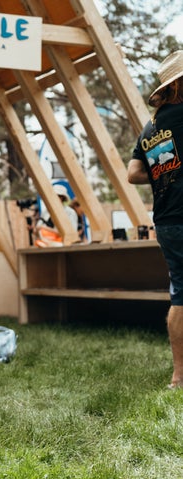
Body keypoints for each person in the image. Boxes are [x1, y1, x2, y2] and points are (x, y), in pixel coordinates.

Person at [127, 50, 183, 390]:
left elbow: (134, 172)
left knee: (180, 295)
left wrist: (166, 168)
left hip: (166, 220)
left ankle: (179, 377)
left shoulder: (151, 127)